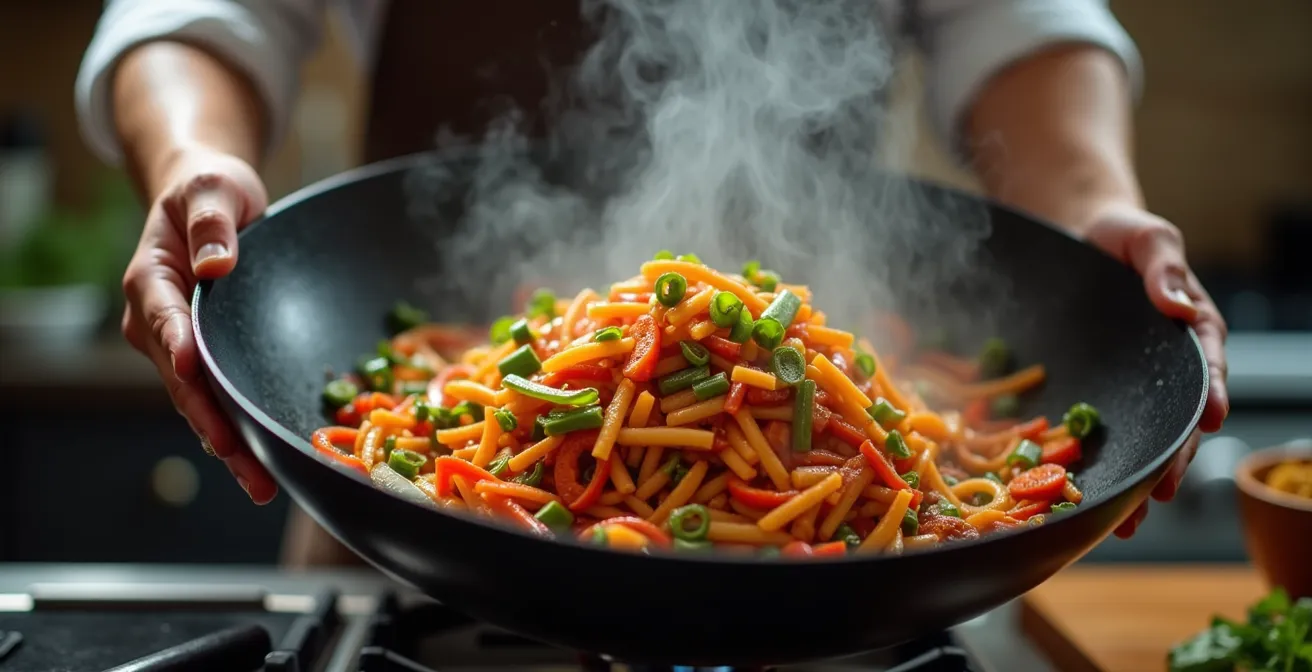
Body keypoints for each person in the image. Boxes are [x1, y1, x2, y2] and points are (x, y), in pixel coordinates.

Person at [75, 0, 1228, 562]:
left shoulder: (906, 480)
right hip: (418, 541)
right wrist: (193, 163)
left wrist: (1089, 210)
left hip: (855, 582)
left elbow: (1022, 23)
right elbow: (192, 14)